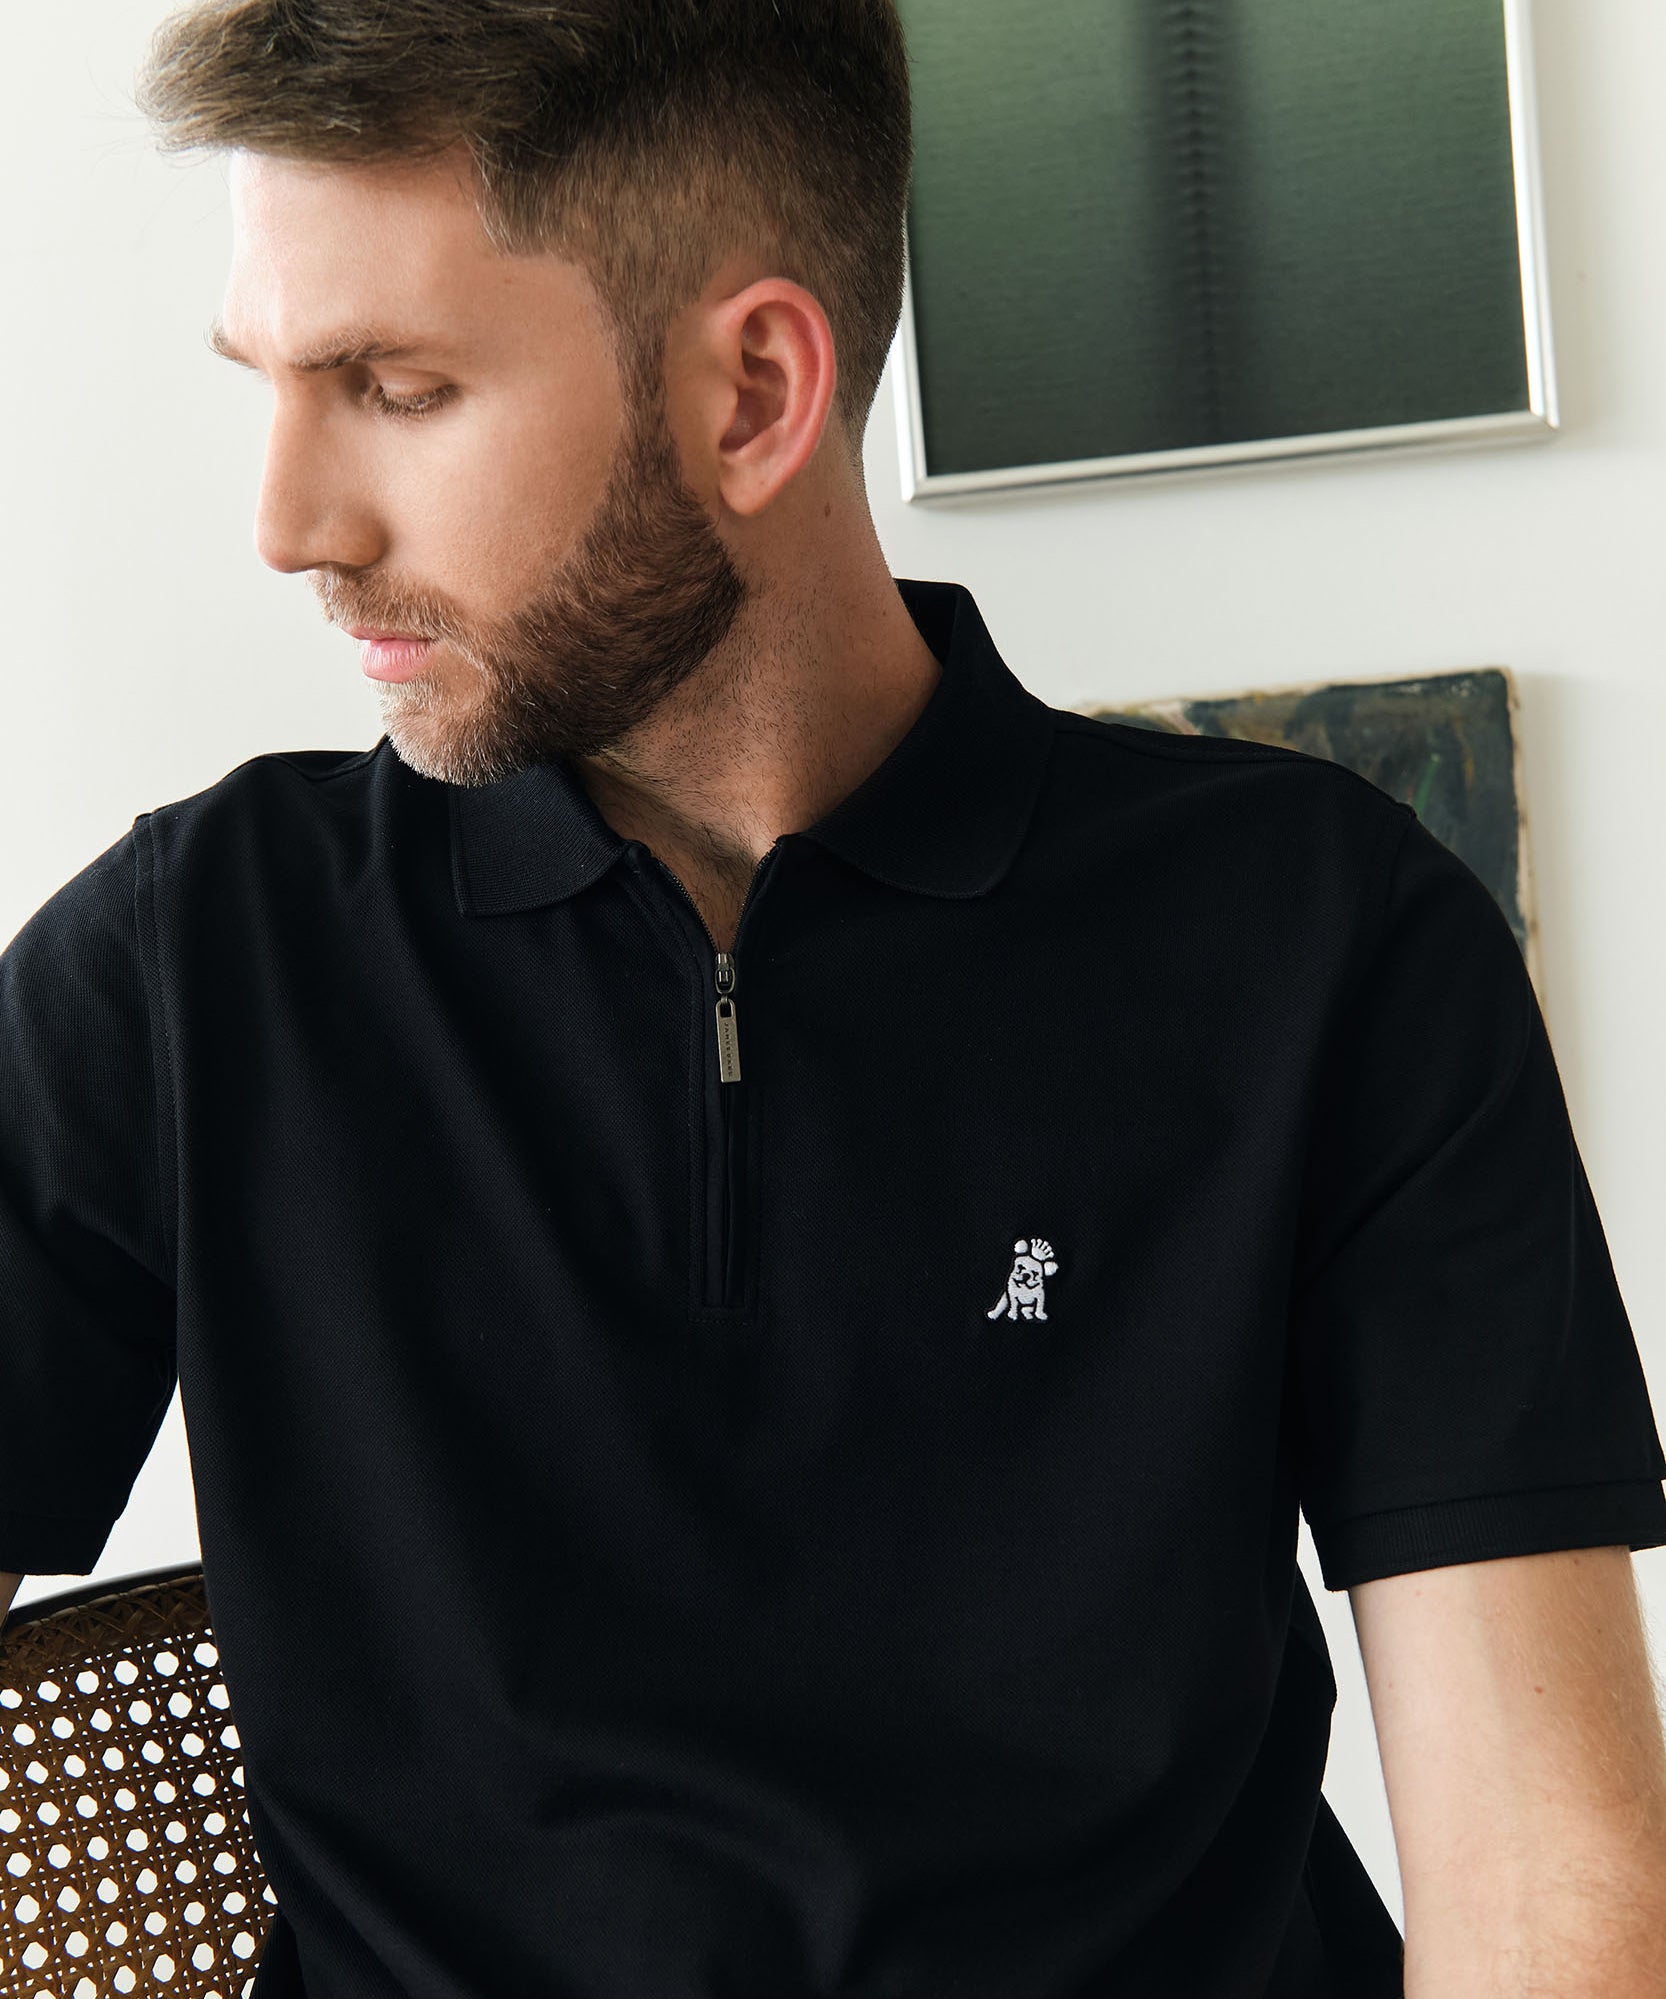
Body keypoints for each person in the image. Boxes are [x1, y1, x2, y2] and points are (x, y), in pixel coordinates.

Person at [3, 4, 1665, 1995]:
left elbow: (1549, 1879)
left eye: (397, 386)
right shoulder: (186, 967)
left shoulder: (1327, 936)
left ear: (755, 390)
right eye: (269, 384)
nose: (292, 523)